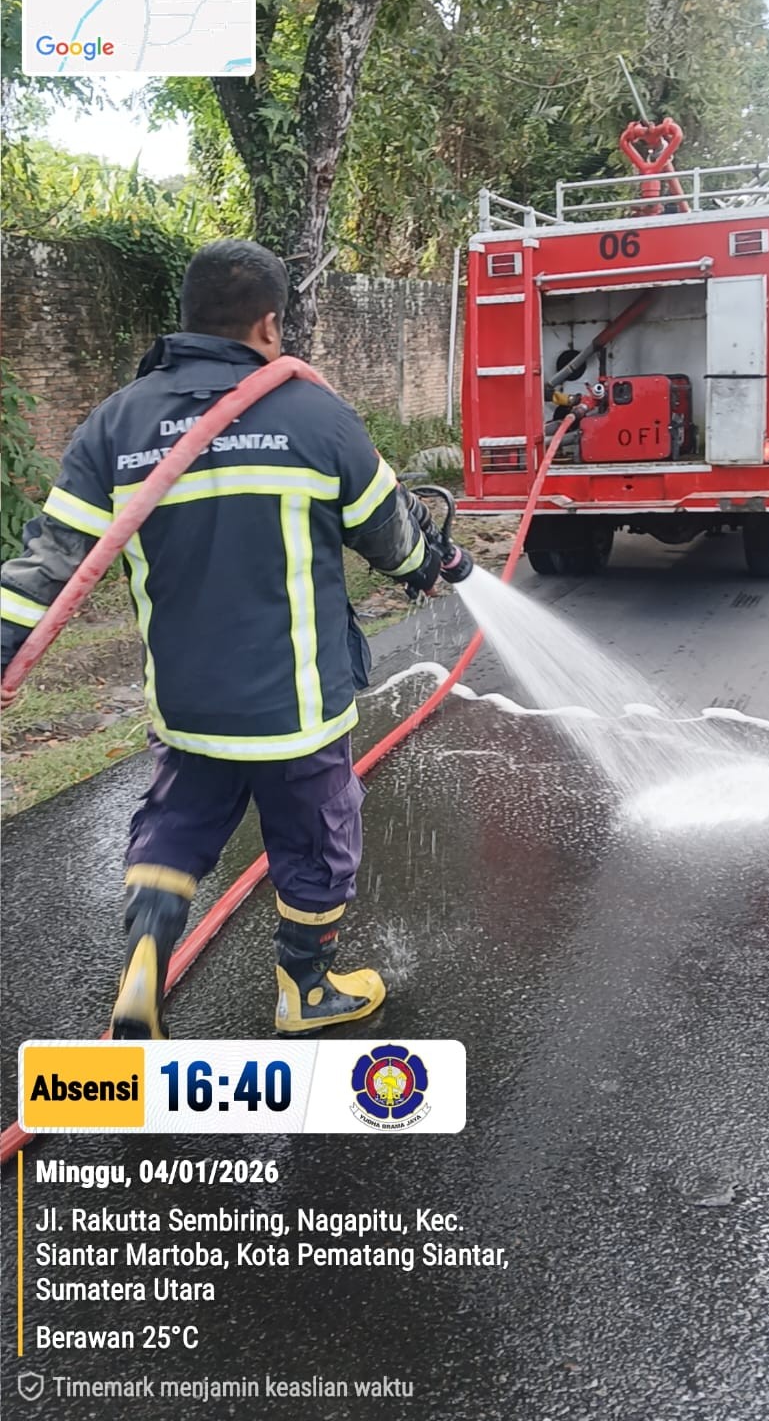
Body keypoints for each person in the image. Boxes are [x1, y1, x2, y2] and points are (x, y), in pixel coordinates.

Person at [0, 240, 446, 1039]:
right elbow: (396, 543)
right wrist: (430, 561)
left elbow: (48, 565)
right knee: (318, 835)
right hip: (297, 706)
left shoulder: (116, 422)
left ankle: (144, 963)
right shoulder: (316, 416)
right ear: (269, 324)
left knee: (178, 822)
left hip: (189, 707)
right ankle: (304, 991)